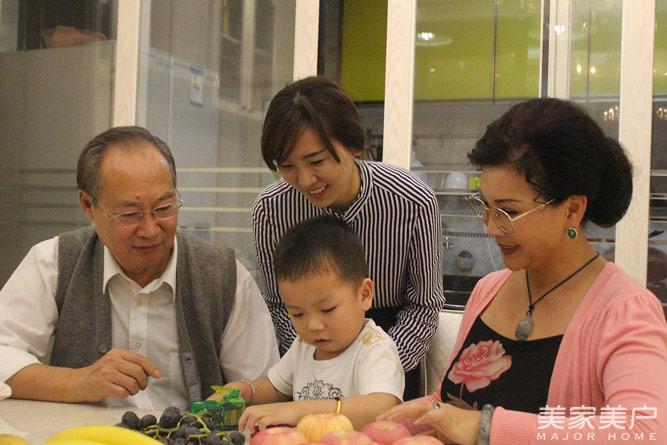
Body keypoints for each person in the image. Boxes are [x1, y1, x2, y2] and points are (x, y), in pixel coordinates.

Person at [379, 98, 667, 444]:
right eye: (485, 206)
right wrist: (420, 415)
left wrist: (486, 429)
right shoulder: (489, 290)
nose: (491, 228)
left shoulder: (624, 311)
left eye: (509, 212)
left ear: (572, 210)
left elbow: (645, 432)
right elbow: (454, 404)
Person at [0, 126, 279, 409]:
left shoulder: (224, 276)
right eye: (130, 214)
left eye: (164, 208)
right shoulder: (55, 262)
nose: (150, 229)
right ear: (88, 205)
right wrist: (79, 382)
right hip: (83, 432)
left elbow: (268, 387)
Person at [253, 76, 445, 400]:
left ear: (352, 144)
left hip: (391, 345)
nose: (305, 180)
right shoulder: (272, 210)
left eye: (317, 161)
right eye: (287, 166)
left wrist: (376, 368)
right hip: (313, 359)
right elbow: (277, 304)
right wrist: (316, 362)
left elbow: (423, 306)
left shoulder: (412, 200)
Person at [218, 216, 404, 431]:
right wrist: (244, 391)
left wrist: (299, 410)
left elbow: (381, 408)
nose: (313, 326)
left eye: (327, 309)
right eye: (297, 314)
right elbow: (275, 388)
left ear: (364, 295)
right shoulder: (304, 346)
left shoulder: (374, 348)